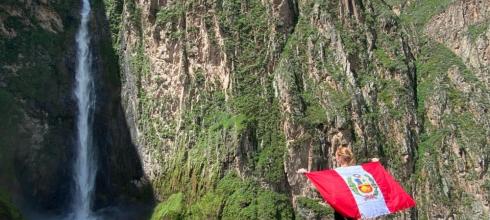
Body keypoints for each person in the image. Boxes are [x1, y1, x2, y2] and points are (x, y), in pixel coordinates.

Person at [297, 145, 379, 220]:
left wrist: (307, 173)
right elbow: (370, 179)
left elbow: (322, 185)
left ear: (340, 157)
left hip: (341, 211)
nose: (335, 158)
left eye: (336, 156)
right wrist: (375, 164)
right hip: (356, 209)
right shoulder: (357, 170)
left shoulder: (336, 173)